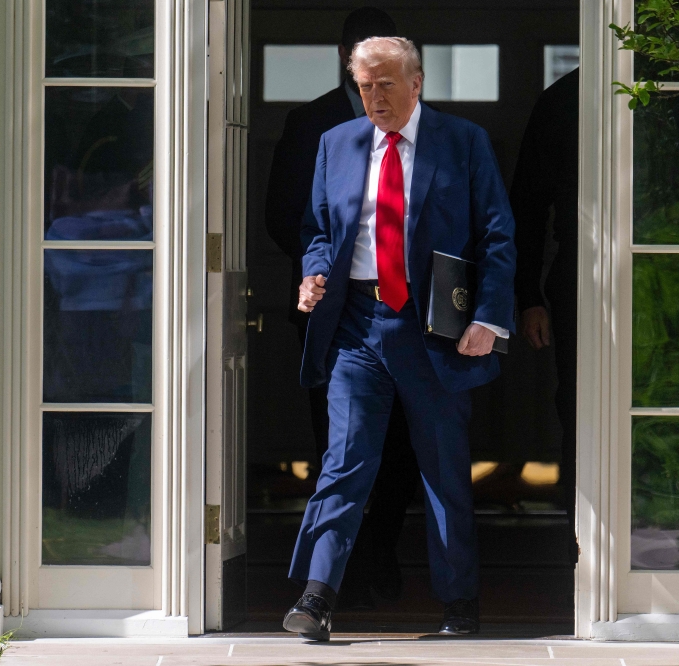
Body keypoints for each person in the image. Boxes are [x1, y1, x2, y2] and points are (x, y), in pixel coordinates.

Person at [282, 37, 516, 640]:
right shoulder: (337, 143)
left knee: (443, 469)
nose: (375, 97)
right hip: (357, 325)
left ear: (417, 82)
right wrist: (313, 274)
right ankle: (316, 596)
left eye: (386, 84)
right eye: (364, 85)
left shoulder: (462, 142)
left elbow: (495, 235)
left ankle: (459, 604)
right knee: (345, 462)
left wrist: (487, 320)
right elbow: (317, 230)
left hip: (432, 328)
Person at [264, 7, 419, 608]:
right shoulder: (311, 125)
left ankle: (379, 550)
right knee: (339, 448)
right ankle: (333, 576)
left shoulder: (426, 125)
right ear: (344, 55)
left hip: (407, 313)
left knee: (402, 450)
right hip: (333, 314)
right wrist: (322, 266)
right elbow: (284, 216)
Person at [510, 67, 579, 560]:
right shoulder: (565, 98)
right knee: (578, 410)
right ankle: (583, 545)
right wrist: (528, 295)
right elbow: (528, 209)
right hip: (579, 278)